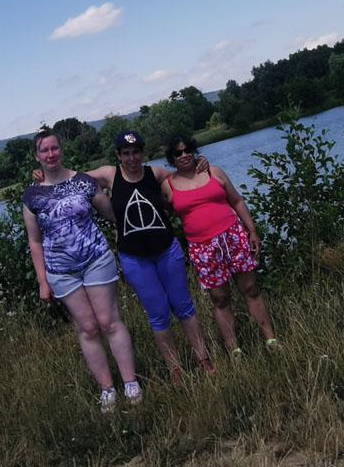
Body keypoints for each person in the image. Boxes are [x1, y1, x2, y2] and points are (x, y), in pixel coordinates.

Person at [35, 130, 215, 381]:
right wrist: (44, 174)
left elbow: (185, 175)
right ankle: (175, 368)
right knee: (158, 315)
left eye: (136, 152)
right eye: (126, 153)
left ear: (143, 153)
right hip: (135, 259)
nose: (132, 158)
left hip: (167, 250)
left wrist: (200, 162)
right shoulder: (109, 175)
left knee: (184, 306)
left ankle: (203, 359)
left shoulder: (155, 174)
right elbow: (70, 177)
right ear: (118, 155)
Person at [22, 128, 140, 412]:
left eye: (54, 148)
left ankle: (131, 383)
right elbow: (34, 240)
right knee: (87, 329)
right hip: (61, 271)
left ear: (61, 149)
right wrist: (42, 281)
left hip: (96, 259)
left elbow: (111, 212)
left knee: (109, 322)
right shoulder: (31, 196)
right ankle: (107, 389)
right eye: (44, 150)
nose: (51, 154)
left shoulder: (84, 181)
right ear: (37, 156)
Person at [160, 135, 277, 356]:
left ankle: (270, 340)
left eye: (187, 150)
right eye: (178, 153)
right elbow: (162, 211)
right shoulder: (168, 185)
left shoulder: (214, 172)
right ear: (171, 158)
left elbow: (237, 201)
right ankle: (235, 350)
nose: (184, 155)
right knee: (220, 299)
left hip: (233, 237)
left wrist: (252, 230)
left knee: (251, 289)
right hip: (202, 248)